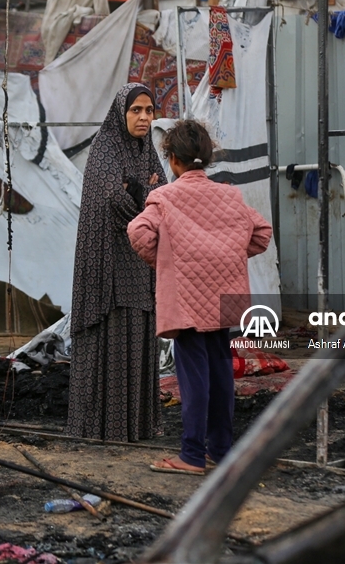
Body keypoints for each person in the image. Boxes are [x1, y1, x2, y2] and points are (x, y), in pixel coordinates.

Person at [127, 120, 272, 475]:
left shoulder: (165, 197)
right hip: (226, 294)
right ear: (206, 159)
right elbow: (262, 234)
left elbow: (138, 231)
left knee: (193, 377)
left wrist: (165, 262)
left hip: (188, 298)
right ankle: (221, 451)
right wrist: (228, 254)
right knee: (221, 370)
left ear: (172, 159)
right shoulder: (230, 195)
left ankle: (191, 455)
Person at [66, 82, 167, 442]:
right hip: (106, 266)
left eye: (149, 111)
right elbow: (113, 201)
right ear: (121, 113)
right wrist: (144, 193)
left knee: (138, 335)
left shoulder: (146, 151)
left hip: (139, 265)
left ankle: (135, 426)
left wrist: (138, 192)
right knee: (108, 337)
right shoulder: (104, 149)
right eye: (135, 110)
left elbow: (164, 194)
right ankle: (101, 428)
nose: (143, 117)